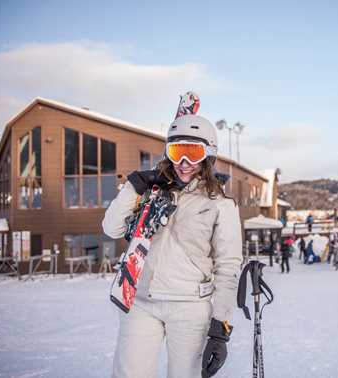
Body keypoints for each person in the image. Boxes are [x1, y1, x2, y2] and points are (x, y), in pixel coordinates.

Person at [102, 93, 242, 378]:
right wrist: (133, 188)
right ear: (168, 153)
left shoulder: (221, 204)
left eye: (194, 153)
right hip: (141, 300)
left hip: (190, 306)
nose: (185, 162)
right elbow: (111, 229)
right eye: (178, 153)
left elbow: (228, 267)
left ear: (208, 156)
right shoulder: (151, 193)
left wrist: (221, 327)